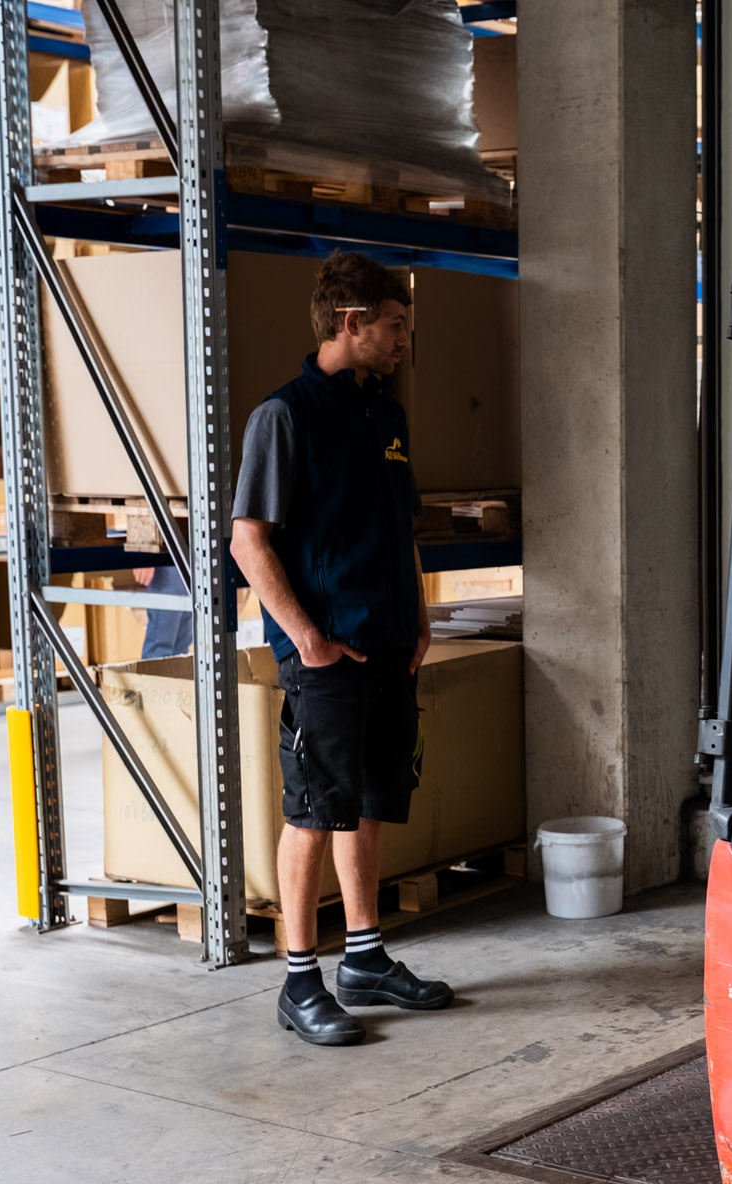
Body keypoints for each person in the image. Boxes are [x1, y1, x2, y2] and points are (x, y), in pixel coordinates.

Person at [228, 250, 451, 1046]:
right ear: (351, 323)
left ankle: (364, 957)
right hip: (326, 656)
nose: (404, 342)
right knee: (315, 811)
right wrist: (307, 637)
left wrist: (419, 613)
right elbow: (249, 541)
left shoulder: (385, 416)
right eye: (394, 326)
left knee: (369, 804)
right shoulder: (284, 418)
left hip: (388, 646)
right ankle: (300, 981)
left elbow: (402, 527)